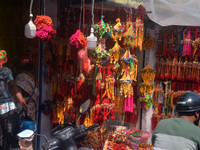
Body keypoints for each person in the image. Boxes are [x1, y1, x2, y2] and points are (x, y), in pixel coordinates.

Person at [0, 50, 27, 150]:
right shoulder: (5, 71)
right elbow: (12, 86)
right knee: (12, 139)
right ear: (5, 59)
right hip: (7, 109)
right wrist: (22, 101)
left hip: (6, 109)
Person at [15, 55, 39, 150]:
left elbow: (17, 92)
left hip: (22, 108)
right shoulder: (34, 78)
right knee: (29, 134)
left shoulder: (20, 77)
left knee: (21, 134)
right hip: (32, 108)